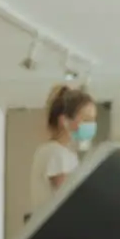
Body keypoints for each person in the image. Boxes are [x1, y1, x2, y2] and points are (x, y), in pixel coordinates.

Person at [28, 83, 96, 215]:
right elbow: (73, 198)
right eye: (86, 119)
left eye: (93, 120)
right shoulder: (54, 153)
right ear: (64, 121)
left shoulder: (67, 154)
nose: (91, 125)